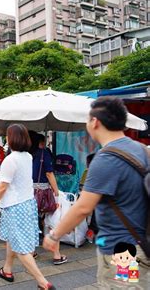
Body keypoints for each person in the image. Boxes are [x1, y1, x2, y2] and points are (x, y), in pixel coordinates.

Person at [43, 96, 149, 288]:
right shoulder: (142, 150)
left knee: (121, 286)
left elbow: (83, 207)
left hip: (121, 251)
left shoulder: (105, 158)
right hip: (142, 243)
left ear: (95, 122)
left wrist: (54, 235)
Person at [0, 124, 56, 290]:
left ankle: (43, 283)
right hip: (27, 203)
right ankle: (7, 270)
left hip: (15, 206)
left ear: (11, 138)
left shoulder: (10, 160)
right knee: (12, 238)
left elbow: (3, 187)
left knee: (22, 249)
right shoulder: (27, 156)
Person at [29, 132, 67, 265]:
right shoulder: (43, 153)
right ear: (41, 142)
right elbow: (49, 173)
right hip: (43, 191)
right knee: (53, 220)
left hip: (29, 191)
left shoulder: (27, 154)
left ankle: (31, 251)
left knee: (32, 221)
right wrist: (56, 192)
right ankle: (56, 255)